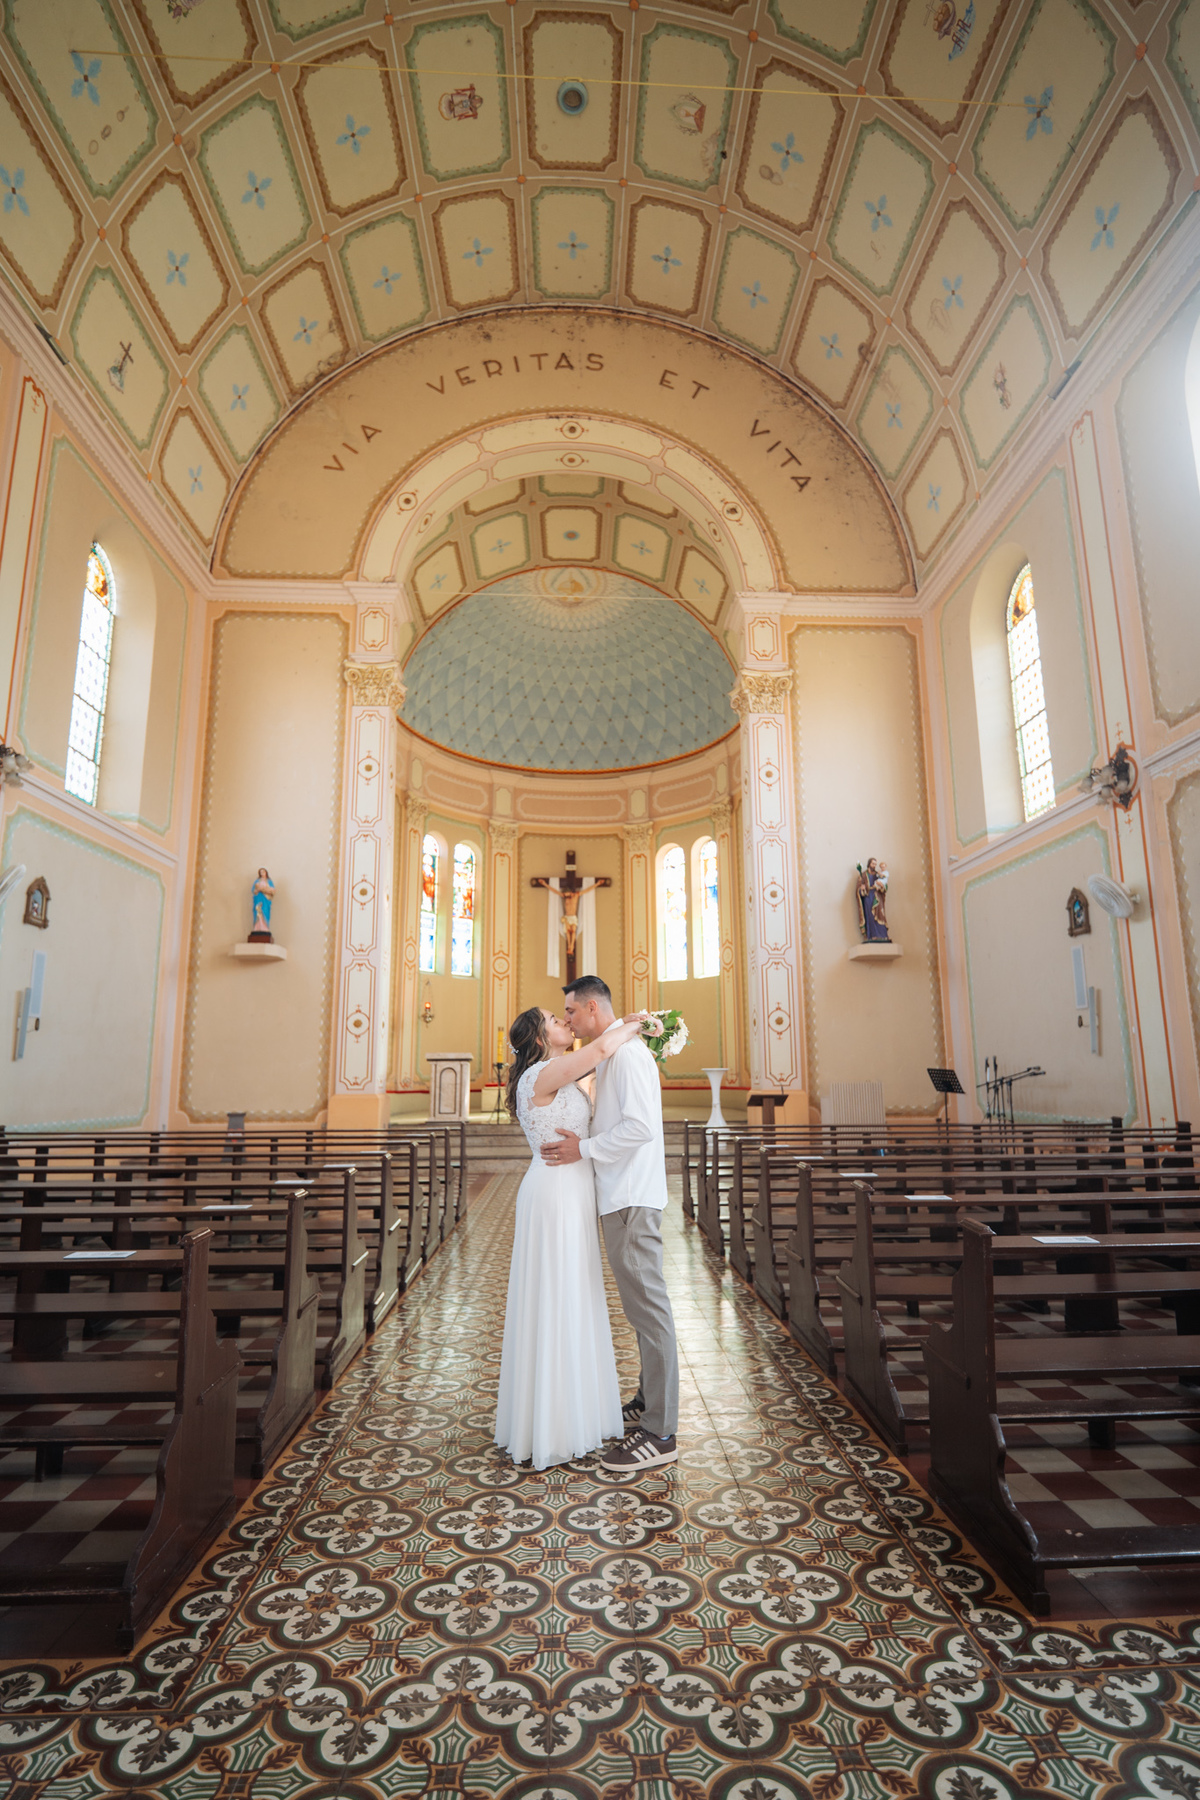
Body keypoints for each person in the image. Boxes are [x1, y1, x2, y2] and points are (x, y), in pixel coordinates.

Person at [495, 1003, 646, 1470]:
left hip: (573, 1191)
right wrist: (645, 1023)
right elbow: (602, 1046)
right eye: (553, 1019)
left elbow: (603, 1083)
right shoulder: (540, 1075)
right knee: (558, 1297)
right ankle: (553, 1426)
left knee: (574, 1295)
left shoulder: (559, 1075)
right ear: (539, 1038)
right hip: (555, 1194)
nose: (563, 1022)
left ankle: (575, 1413)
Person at [541, 974, 679, 1473]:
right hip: (619, 1197)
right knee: (641, 1310)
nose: (570, 1020)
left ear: (594, 1008)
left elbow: (640, 1128)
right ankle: (648, 1399)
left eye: (572, 1012)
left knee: (651, 1310)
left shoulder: (630, 1056)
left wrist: (585, 1148)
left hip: (631, 1198)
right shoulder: (615, 1052)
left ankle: (662, 1432)